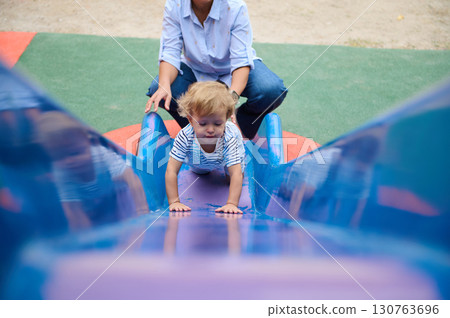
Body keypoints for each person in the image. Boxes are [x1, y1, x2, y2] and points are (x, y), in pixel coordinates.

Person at [145, 0, 287, 139]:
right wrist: (164, 85)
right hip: (195, 68)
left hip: (231, 68)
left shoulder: (236, 7)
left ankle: (242, 124)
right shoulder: (174, 4)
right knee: (159, 90)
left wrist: (231, 99)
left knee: (271, 90)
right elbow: (170, 51)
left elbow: (241, 61)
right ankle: (197, 129)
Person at [37, 111, 149, 229]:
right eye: (59, 157)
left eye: (75, 153)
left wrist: (141, 211)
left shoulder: (100, 155)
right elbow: (72, 208)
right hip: (89, 199)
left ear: (88, 142)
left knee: (126, 220)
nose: (69, 161)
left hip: (116, 192)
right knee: (89, 224)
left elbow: (131, 179)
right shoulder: (61, 171)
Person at [165, 81, 245, 213]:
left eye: (218, 123)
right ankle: (205, 167)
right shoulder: (185, 136)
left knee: (232, 179)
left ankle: (223, 169)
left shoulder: (229, 137)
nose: (210, 130)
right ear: (190, 120)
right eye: (202, 124)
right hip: (197, 160)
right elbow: (171, 171)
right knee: (200, 172)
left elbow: (235, 173)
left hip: (224, 159)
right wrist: (174, 202)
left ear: (226, 119)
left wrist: (232, 203)